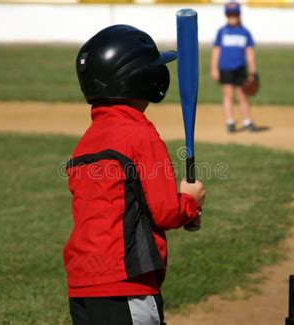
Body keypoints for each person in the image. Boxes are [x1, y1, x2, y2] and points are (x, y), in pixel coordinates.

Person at [64, 25, 206, 325]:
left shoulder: (85, 142)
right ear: (139, 78)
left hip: (81, 289)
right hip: (127, 286)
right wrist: (190, 202)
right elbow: (167, 212)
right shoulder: (140, 135)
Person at [211, 1, 258, 133]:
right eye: (230, 15)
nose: (232, 17)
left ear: (239, 15)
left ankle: (247, 121)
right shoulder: (222, 31)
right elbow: (216, 51)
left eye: (234, 14)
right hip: (226, 68)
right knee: (228, 95)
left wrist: (252, 72)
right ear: (226, 15)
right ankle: (230, 122)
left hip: (240, 69)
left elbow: (250, 54)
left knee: (243, 96)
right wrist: (214, 68)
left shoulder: (245, 32)